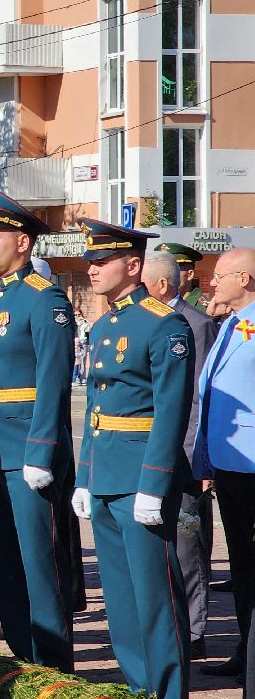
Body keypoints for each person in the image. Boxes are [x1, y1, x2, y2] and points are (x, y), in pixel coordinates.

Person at [68, 217, 193, 699]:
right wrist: (84, 474)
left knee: (154, 594)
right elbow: (97, 407)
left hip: (141, 478)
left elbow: (171, 411)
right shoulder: (105, 325)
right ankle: (138, 691)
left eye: (102, 261)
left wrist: (155, 483)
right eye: (91, 261)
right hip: (105, 477)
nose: (92, 269)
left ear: (134, 265)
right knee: (120, 598)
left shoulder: (165, 325)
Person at [0, 190, 77, 672]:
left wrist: (41, 450)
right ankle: (20, 652)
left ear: (23, 243)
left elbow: (53, 381)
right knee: (3, 558)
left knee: (38, 560)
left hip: (26, 450)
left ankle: (52, 659)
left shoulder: (44, 298)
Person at [144, 248, 217, 659]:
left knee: (189, 546)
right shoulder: (145, 321)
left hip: (185, 456)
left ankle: (194, 631)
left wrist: (197, 455)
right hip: (151, 451)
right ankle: (166, 626)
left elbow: (197, 398)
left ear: (161, 285)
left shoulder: (196, 323)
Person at [194, 246, 255, 686]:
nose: (212, 283)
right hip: (229, 465)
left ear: (246, 279)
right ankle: (245, 646)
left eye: (221, 275)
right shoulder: (230, 326)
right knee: (240, 564)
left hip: (252, 463)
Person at [157, 242, 207, 312]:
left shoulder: (201, 310)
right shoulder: (153, 304)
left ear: (190, 275)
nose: (164, 273)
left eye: (172, 269)